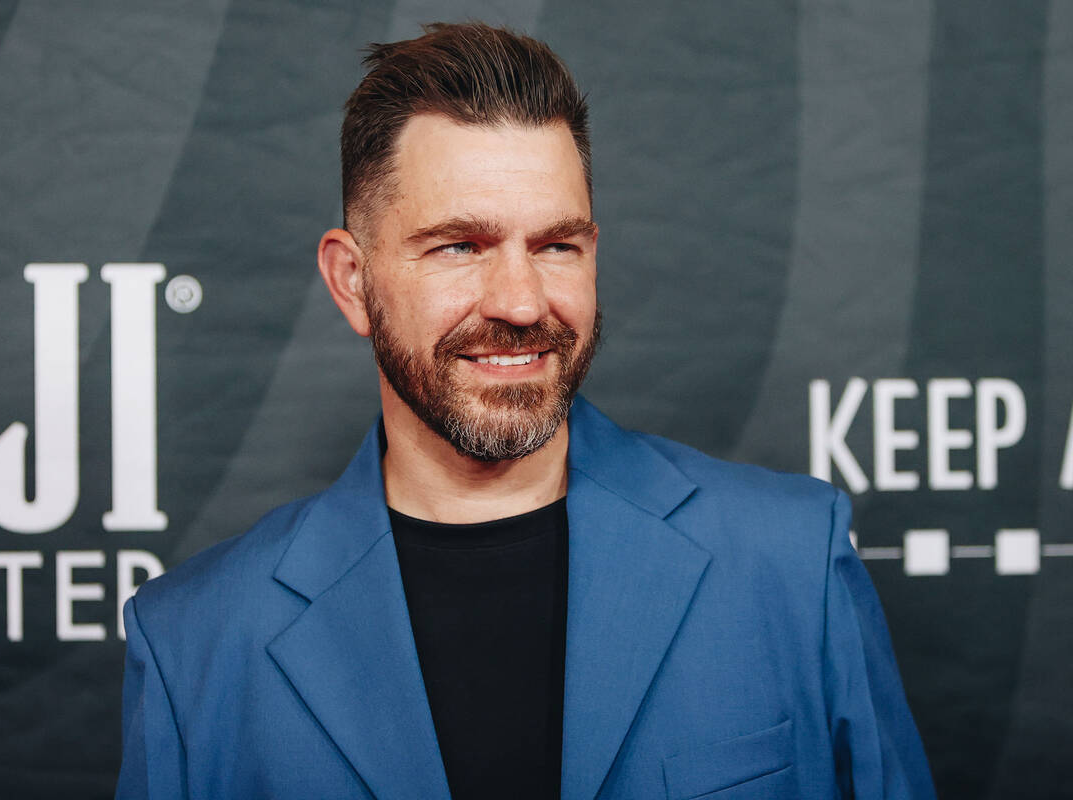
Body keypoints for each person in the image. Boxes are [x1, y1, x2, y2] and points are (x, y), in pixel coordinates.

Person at [116, 22, 935, 800]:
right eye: (460, 246)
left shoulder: (789, 562)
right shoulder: (199, 642)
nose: (520, 300)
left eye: (555, 246)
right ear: (352, 281)